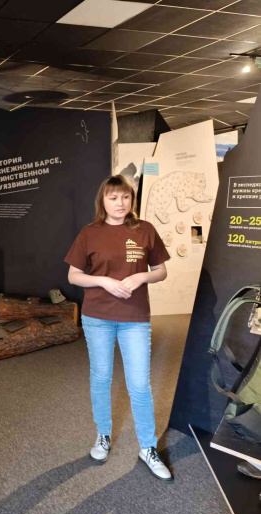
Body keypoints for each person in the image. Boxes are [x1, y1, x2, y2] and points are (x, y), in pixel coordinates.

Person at [65, 174, 173, 481]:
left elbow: (161, 270)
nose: (120, 203)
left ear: (131, 199)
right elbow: (74, 275)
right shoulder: (90, 232)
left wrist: (142, 276)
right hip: (97, 316)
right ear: (103, 200)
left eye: (125, 197)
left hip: (134, 317)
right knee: (101, 377)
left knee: (139, 384)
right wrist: (102, 281)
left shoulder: (145, 230)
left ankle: (148, 448)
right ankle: (103, 435)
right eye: (113, 198)